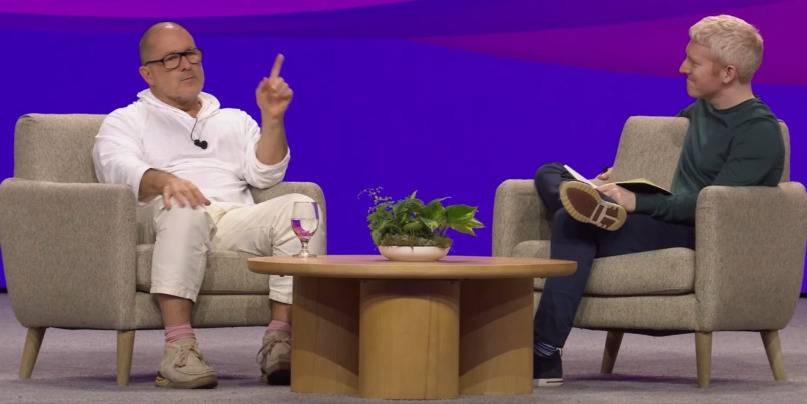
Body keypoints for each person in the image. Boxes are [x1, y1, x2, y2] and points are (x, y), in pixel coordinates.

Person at [531, 14, 784, 387]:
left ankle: (543, 350)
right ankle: (589, 205)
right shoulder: (700, 110)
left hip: (694, 231)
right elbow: (663, 163)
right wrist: (614, 175)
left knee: (572, 222)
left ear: (728, 73)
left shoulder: (758, 132)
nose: (683, 68)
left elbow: (715, 211)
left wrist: (638, 203)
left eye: (694, 62)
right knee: (549, 171)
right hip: (660, 213)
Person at [93, 22, 324, 389]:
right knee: (185, 206)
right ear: (147, 74)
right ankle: (179, 349)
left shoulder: (233, 119)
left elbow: (265, 175)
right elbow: (114, 166)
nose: (186, 64)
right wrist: (165, 180)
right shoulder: (127, 120)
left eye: (190, 53)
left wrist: (272, 119)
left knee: (301, 205)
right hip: (167, 217)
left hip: (232, 219)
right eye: (171, 58)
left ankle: (281, 341)